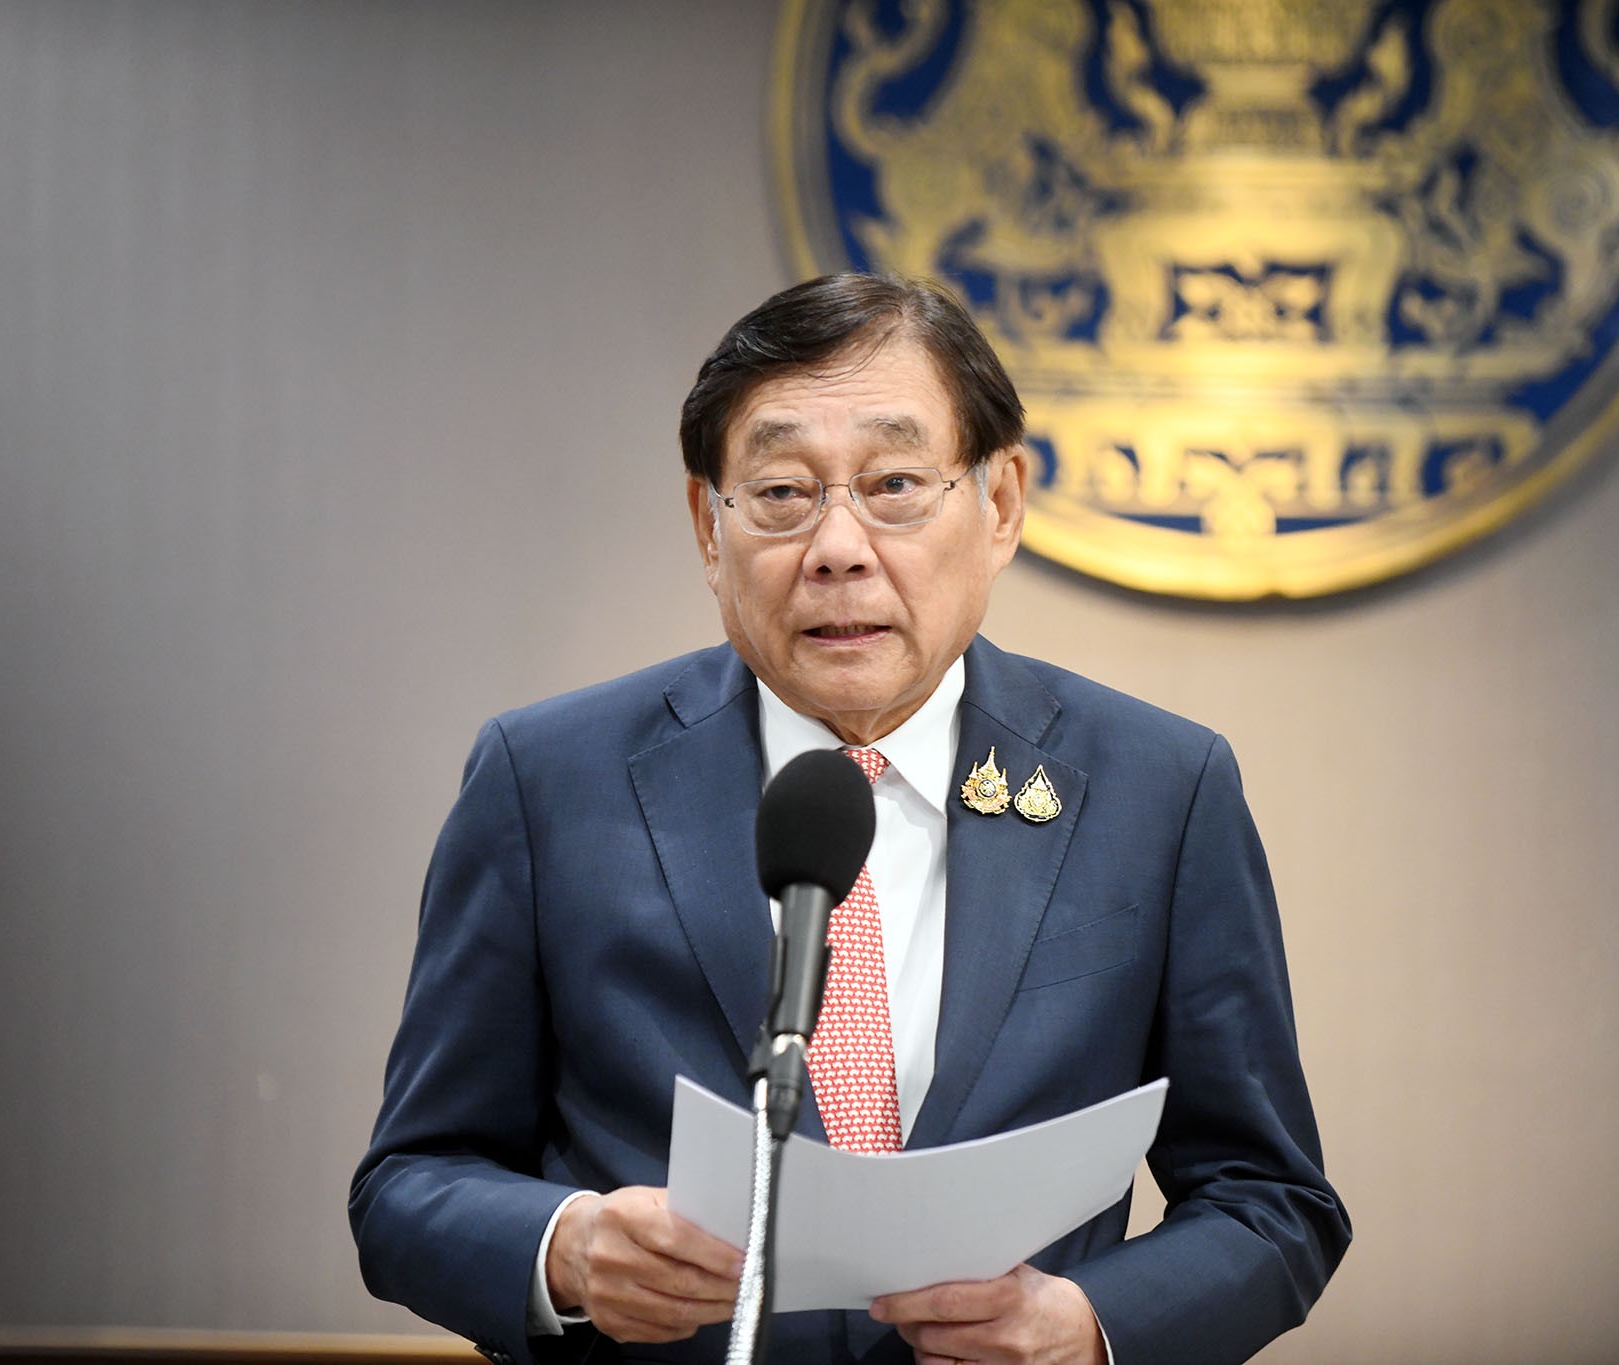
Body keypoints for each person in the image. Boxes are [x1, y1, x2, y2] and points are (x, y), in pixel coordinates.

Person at [349, 274, 1349, 1365]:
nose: (837, 546)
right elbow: (408, 1184)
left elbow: (1271, 1202)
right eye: (781, 491)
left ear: (1000, 504)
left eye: (894, 485)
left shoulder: (1157, 789)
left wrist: (1089, 1329)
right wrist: (566, 1249)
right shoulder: (547, 781)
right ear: (708, 524)